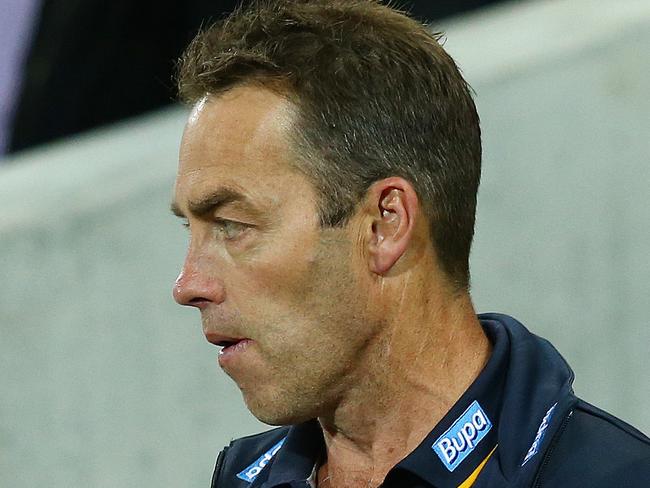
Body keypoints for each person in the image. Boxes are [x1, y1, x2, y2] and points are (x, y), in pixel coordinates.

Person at [170, 1, 650, 486]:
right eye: (191, 230)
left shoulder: (614, 475)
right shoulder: (242, 478)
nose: (188, 285)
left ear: (384, 225)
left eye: (231, 224)